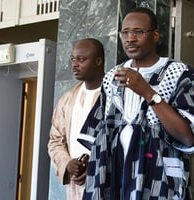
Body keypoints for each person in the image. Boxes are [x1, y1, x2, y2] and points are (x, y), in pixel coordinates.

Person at [78, 7, 194, 199]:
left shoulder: (179, 74)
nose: (130, 38)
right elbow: (99, 135)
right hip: (113, 182)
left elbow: (188, 137)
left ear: (155, 35)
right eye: (125, 32)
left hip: (158, 181)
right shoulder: (111, 78)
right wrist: (84, 162)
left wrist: (148, 92)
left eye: (139, 32)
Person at [48, 38, 105, 200]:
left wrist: (95, 167)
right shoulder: (67, 99)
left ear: (98, 61)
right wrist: (67, 163)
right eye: (73, 59)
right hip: (76, 185)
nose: (74, 64)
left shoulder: (115, 96)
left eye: (81, 59)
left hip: (106, 182)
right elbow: (55, 140)